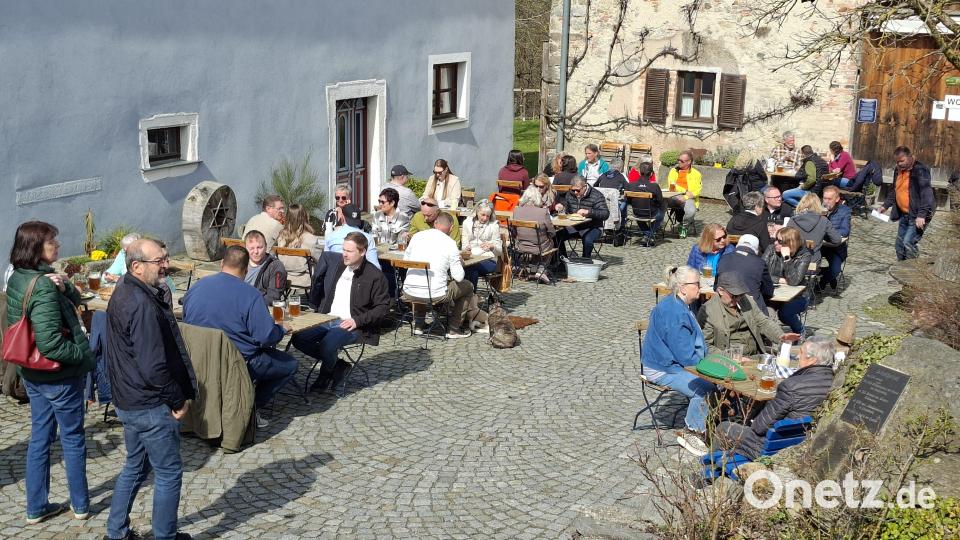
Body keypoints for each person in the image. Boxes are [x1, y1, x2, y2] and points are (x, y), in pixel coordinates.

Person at [105, 239, 197, 540]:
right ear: (137, 266)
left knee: (135, 466)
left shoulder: (124, 290)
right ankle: (165, 536)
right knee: (169, 473)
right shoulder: (141, 303)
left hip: (129, 399)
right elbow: (153, 365)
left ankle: (116, 533)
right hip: (148, 404)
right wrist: (177, 399)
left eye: (166, 258)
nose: (166, 265)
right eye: (159, 260)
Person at [6, 221, 95, 525]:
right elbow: (51, 344)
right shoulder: (42, 286)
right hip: (58, 377)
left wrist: (66, 285)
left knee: (39, 439)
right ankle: (81, 504)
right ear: (35, 249)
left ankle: (36, 506)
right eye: (51, 242)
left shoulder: (20, 276)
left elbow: (76, 299)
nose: (57, 245)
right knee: (72, 439)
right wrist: (82, 354)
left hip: (32, 375)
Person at [184, 245, 296, 421]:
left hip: (199, 358)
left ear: (222, 263)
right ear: (245, 270)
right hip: (238, 362)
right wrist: (281, 330)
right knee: (290, 364)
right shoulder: (251, 295)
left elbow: (187, 320)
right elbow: (265, 337)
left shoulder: (197, 287)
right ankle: (249, 407)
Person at [291, 232, 390, 391]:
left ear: (363, 251)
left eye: (349, 251)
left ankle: (325, 373)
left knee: (328, 344)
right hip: (326, 318)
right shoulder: (337, 265)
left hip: (354, 324)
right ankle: (338, 365)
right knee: (298, 338)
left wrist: (357, 321)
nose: (344, 254)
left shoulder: (375, 276)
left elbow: (383, 308)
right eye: (343, 249)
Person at [715, 336, 835, 460]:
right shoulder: (835, 383)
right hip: (800, 441)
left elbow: (759, 427)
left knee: (723, 428)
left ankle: (711, 470)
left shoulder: (791, 386)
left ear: (812, 360)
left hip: (771, 447)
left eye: (801, 352)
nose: (798, 356)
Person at [641, 266, 715, 455]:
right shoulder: (675, 312)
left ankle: (709, 425)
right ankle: (692, 433)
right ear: (683, 288)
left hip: (672, 362)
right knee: (705, 389)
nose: (700, 287)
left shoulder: (679, 305)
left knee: (715, 383)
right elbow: (686, 357)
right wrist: (710, 370)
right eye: (697, 284)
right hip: (663, 367)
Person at [402, 212, 485, 338]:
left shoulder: (417, 236)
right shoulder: (450, 243)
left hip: (409, 290)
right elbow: (459, 277)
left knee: (421, 280)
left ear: (435, 223)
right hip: (435, 294)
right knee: (467, 286)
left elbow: (406, 261)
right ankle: (454, 328)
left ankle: (419, 324)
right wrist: (459, 263)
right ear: (451, 228)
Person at [698, 273, 799, 358]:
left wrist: (780, 335)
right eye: (734, 295)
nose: (738, 299)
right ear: (720, 291)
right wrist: (732, 357)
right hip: (730, 360)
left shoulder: (745, 300)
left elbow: (763, 322)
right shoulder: (708, 310)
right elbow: (706, 345)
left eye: (740, 295)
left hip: (755, 355)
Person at [877, 146, 935, 261]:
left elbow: (926, 193)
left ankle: (911, 272)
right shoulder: (898, 170)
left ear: (910, 157)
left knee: (908, 243)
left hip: (918, 214)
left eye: (902, 161)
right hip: (904, 214)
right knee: (899, 245)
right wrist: (885, 205)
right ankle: (900, 270)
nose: (899, 164)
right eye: (897, 161)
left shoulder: (920, 170)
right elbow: (895, 190)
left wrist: (922, 215)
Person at [763, 227, 812, 334]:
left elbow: (794, 281)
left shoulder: (804, 255)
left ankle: (799, 331)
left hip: (798, 296)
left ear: (790, 243)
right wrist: (780, 280)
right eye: (775, 239)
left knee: (785, 314)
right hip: (774, 294)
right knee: (765, 312)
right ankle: (769, 337)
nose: (775, 243)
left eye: (780, 241)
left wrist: (787, 258)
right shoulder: (771, 249)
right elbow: (760, 273)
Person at [716, 234, 773, 315]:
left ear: (738, 245)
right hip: (751, 309)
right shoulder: (760, 263)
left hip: (723, 306)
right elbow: (769, 291)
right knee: (771, 312)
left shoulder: (724, 258)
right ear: (756, 250)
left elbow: (716, 286)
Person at [554, 177, 609, 259]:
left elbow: (605, 214)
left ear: (585, 186)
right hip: (575, 226)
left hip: (593, 227)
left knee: (587, 240)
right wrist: (562, 207)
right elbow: (566, 207)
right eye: (573, 190)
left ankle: (585, 261)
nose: (575, 192)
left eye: (578, 190)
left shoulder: (597, 195)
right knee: (556, 236)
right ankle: (562, 262)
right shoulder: (570, 194)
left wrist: (589, 212)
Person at [514, 181, 557, 283]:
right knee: (550, 242)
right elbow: (552, 232)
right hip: (539, 246)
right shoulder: (542, 212)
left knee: (538, 244)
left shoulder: (516, 210)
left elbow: (514, 231)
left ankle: (533, 272)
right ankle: (540, 270)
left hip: (520, 245)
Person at [275, 204, 322, 289]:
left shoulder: (281, 237)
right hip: (305, 279)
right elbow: (320, 260)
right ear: (304, 217)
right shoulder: (310, 239)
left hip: (285, 278)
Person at [786, 192, 841, 264]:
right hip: (813, 262)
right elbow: (837, 240)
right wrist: (821, 243)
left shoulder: (793, 219)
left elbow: (786, 240)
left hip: (795, 261)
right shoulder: (824, 220)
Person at [324, 204, 380, 269]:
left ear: (342, 218)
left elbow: (325, 261)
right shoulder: (368, 238)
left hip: (334, 275)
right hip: (358, 276)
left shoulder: (330, 236)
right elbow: (375, 267)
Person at [461, 201, 502, 289]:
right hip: (471, 257)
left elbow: (499, 251)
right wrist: (466, 248)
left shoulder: (494, 225)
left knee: (471, 267)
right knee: (469, 268)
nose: (485, 218)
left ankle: (469, 296)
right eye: (482, 215)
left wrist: (492, 246)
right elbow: (464, 246)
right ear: (476, 212)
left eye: (488, 216)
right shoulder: (467, 223)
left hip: (489, 260)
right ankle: (469, 295)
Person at [818, 186, 851, 292]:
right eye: (824, 198)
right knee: (807, 264)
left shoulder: (844, 211)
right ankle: (826, 278)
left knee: (835, 270)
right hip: (819, 246)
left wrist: (829, 233)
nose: (826, 202)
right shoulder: (818, 209)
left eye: (829, 199)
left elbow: (845, 231)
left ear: (837, 199)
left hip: (835, 247)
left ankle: (823, 280)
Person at [244, 230, 288, 305]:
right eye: (251, 248)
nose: (256, 251)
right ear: (245, 248)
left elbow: (273, 297)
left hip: (258, 308)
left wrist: (250, 305)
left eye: (259, 247)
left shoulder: (276, 266)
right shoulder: (240, 262)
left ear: (266, 247)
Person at [666, 150, 702, 238]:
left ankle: (683, 226)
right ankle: (655, 226)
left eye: (681, 161)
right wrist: (685, 191)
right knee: (659, 203)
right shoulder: (673, 171)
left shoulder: (696, 174)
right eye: (678, 160)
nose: (679, 162)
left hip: (689, 198)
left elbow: (698, 190)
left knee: (691, 211)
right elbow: (672, 184)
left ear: (689, 162)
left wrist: (685, 196)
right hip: (674, 196)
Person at [625, 172, 664, 246]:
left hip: (637, 213)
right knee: (661, 214)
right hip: (651, 214)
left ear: (639, 172)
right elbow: (660, 201)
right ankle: (648, 235)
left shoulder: (631, 185)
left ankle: (646, 235)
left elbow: (628, 200)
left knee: (640, 213)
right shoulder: (654, 186)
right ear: (651, 174)